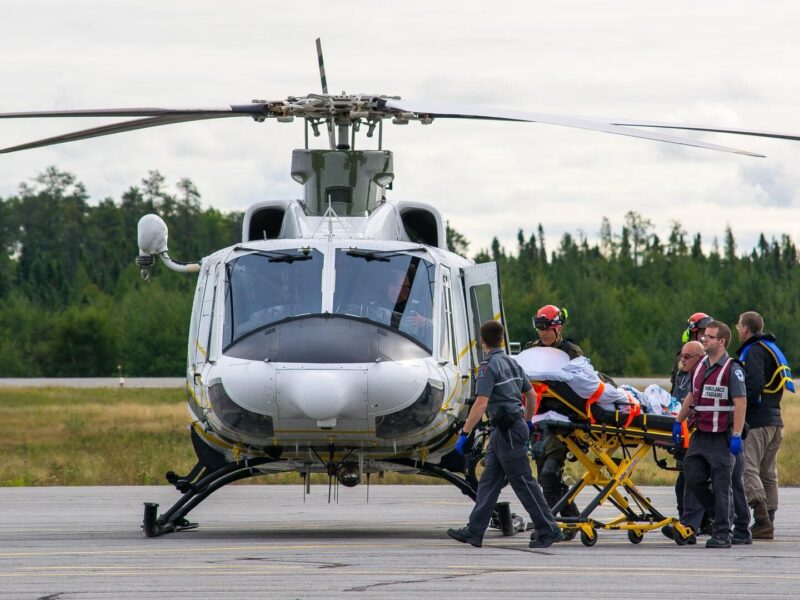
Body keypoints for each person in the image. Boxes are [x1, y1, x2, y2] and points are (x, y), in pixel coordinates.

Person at [447, 320, 563, 549]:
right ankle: (475, 530)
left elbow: (481, 403)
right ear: (501, 339)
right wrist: (528, 422)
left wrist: (465, 433)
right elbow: (531, 396)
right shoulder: (511, 362)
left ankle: (548, 529)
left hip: (507, 431)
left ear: (482, 341)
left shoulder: (489, 367)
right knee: (489, 482)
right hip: (509, 429)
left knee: (523, 482)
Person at [673, 320, 747, 548]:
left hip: (721, 435)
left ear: (722, 341)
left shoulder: (732, 369)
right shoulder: (701, 365)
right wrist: (679, 421)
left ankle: (722, 533)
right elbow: (692, 396)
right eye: (704, 336)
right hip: (700, 434)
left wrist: (736, 435)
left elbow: (741, 403)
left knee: (722, 484)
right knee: (693, 477)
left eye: (710, 337)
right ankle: (721, 512)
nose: (704, 339)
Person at [735, 311, 794, 539]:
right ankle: (768, 520)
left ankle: (761, 519)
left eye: (739, 326)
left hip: (758, 422)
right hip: (775, 421)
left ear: (746, 328)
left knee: (748, 468)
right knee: (768, 473)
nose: (737, 330)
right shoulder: (770, 348)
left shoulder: (755, 352)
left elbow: (754, 384)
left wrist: (740, 405)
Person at [526, 305, 582, 529]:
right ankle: (569, 520)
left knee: (550, 473)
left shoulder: (572, 353)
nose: (543, 333)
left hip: (562, 422)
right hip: (539, 420)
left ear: (559, 328)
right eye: (540, 329)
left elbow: (580, 386)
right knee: (545, 478)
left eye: (548, 328)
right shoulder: (532, 351)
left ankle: (553, 524)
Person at [662, 340, 706, 542]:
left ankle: (702, 525)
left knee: (696, 480)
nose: (682, 360)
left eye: (687, 357)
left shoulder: (710, 372)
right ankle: (687, 524)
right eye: (682, 356)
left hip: (704, 432)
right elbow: (677, 398)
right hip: (687, 430)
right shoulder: (683, 374)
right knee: (684, 482)